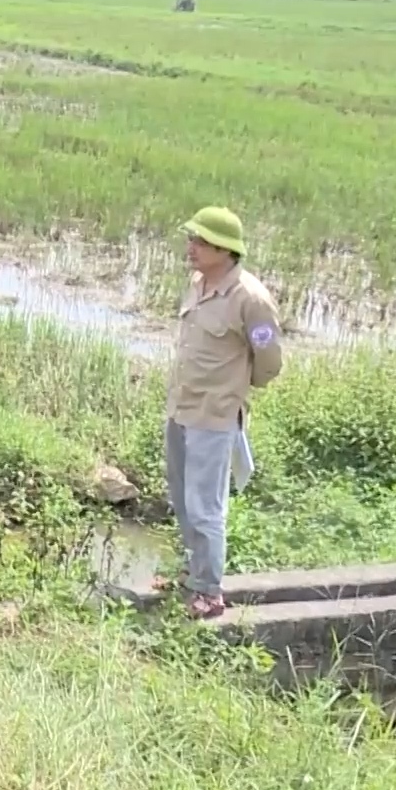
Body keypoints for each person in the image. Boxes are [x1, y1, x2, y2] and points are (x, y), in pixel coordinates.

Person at [162, 206, 283, 618]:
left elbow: (269, 360)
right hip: (181, 407)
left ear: (224, 249)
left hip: (214, 416)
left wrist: (235, 392)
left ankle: (209, 593)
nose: (190, 248)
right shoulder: (197, 283)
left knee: (205, 507)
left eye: (199, 241)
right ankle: (191, 572)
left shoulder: (250, 298)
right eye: (191, 239)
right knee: (181, 497)